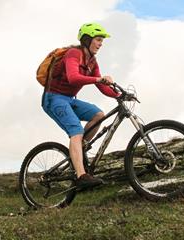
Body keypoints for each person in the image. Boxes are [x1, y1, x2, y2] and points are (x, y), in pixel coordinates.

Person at [42, 23, 119, 191]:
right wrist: (98, 79)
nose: (100, 44)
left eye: (101, 41)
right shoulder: (73, 54)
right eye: (98, 40)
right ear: (87, 40)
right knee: (76, 131)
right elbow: (73, 78)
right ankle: (81, 176)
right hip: (54, 99)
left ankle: (80, 148)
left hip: (69, 99)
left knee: (99, 115)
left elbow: (102, 86)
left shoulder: (92, 61)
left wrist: (119, 96)